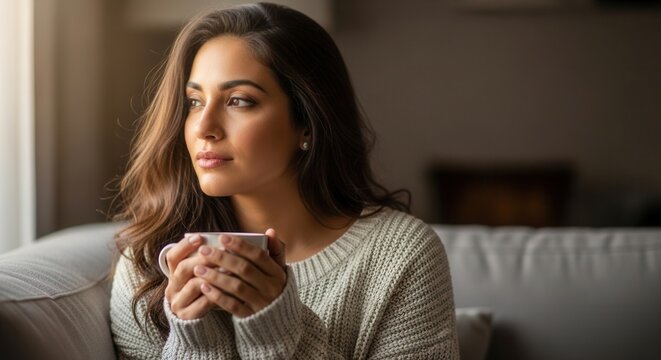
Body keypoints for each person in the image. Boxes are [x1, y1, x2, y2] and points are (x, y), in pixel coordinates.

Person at [109, 2, 459, 359]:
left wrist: (275, 334)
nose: (204, 127)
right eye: (195, 101)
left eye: (239, 101)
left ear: (307, 123)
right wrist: (197, 342)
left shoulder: (403, 256)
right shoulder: (148, 262)